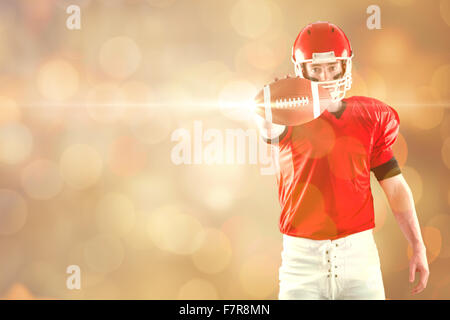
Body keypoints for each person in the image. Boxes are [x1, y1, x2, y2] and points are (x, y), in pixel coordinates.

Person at [254, 21, 429, 300]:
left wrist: (417, 245)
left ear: (345, 66)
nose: (325, 76)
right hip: (302, 261)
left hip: (359, 258)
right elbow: (268, 128)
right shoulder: (287, 116)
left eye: (332, 67)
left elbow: (395, 187)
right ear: (302, 71)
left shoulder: (369, 117)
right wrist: (268, 107)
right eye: (316, 69)